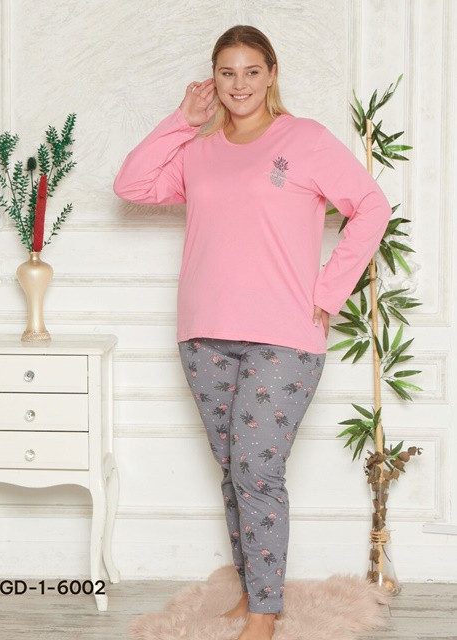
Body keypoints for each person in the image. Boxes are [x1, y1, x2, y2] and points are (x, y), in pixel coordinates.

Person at [113, 24, 392, 640]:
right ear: (213, 80)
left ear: (271, 75)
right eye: (227, 72)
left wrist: (328, 292)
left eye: (251, 71)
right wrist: (181, 121)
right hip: (203, 333)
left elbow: (372, 207)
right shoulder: (199, 151)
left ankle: (265, 613)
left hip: (283, 335)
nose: (239, 84)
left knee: (257, 470)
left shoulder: (305, 140)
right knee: (234, 470)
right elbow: (130, 184)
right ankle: (252, 592)